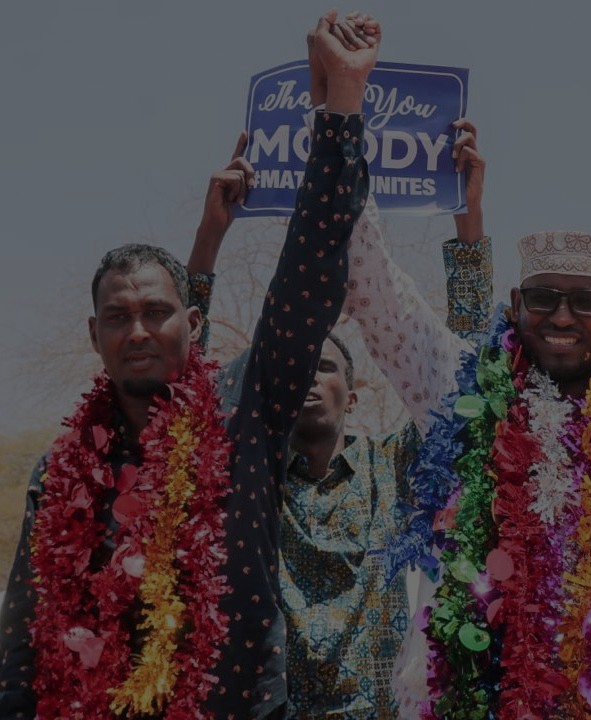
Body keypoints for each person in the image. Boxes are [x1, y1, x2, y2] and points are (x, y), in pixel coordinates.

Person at [0, 9, 378, 719]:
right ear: (94, 335)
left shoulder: (246, 416)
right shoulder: (60, 472)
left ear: (193, 324)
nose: (137, 330)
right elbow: (21, 645)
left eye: (157, 312)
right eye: (118, 317)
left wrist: (340, 107)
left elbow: (309, 276)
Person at [185, 16, 492, 718]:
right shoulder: (249, 471)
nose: (307, 377)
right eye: (298, 364)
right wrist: (209, 238)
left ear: (355, 397)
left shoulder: (400, 468)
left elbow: (474, 388)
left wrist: (468, 225)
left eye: (326, 365)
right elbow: (183, 393)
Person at [373, 229, 591, 718]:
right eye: (543, 298)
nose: (562, 317)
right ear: (517, 303)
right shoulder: (472, 401)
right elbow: (380, 298)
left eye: (585, 301)